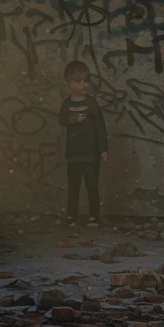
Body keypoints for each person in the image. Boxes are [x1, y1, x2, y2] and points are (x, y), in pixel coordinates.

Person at [57, 60, 107, 223]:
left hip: (91, 154)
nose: (83, 85)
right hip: (73, 155)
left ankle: (94, 216)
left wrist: (103, 149)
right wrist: (74, 118)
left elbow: (100, 127)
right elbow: (62, 120)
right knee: (73, 187)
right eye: (78, 81)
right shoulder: (67, 104)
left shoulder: (91, 104)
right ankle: (71, 215)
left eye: (86, 81)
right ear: (68, 83)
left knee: (92, 187)